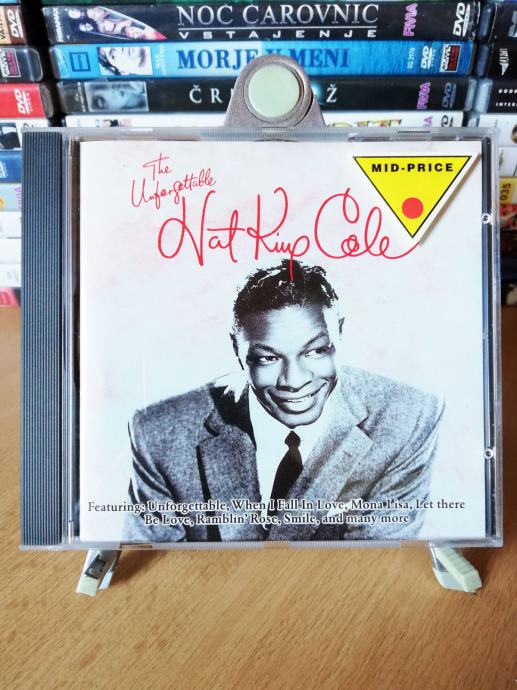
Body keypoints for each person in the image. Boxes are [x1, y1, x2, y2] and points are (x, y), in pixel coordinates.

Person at [124, 260, 444, 542]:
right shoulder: (159, 434)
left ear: (340, 333)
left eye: (315, 351)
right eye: (268, 358)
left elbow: (371, 567)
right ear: (237, 350)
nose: (294, 381)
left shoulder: (407, 418)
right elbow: (156, 569)